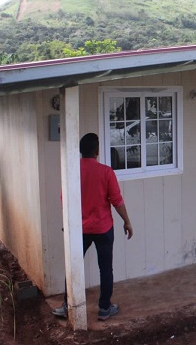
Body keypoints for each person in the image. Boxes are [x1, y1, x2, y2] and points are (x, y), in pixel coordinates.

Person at [52, 132, 133, 321]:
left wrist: (68, 225)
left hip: (79, 230)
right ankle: (105, 308)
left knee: (73, 267)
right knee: (106, 268)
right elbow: (117, 200)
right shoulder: (106, 172)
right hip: (103, 228)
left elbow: (65, 201)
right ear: (97, 150)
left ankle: (67, 305)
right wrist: (127, 221)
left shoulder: (71, 170)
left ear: (80, 151)